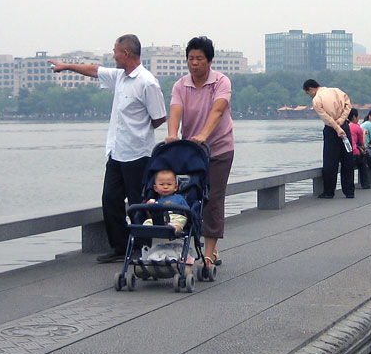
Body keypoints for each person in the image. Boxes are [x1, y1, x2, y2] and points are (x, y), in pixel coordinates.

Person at [49, 34, 167, 262]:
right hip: (116, 152)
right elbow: (94, 70)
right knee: (110, 199)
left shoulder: (147, 82)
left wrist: (139, 131)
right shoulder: (119, 77)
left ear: (126, 53)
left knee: (138, 204)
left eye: (115, 51)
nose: (113, 55)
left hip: (138, 154)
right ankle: (120, 246)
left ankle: (141, 248)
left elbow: (159, 117)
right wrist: (66, 66)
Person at [166, 36, 234, 268]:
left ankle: (210, 252)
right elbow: (176, 109)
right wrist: (173, 134)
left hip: (219, 149)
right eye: (190, 59)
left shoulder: (221, 82)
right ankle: (184, 246)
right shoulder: (180, 85)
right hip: (191, 151)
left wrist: (204, 135)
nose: (194, 63)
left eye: (199, 59)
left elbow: (218, 110)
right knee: (189, 197)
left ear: (209, 60)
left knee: (213, 199)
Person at [303, 79, 356, 199]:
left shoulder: (317, 99)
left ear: (311, 89)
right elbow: (348, 105)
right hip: (345, 126)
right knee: (347, 159)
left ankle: (329, 191)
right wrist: (342, 120)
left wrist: (337, 128)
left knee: (330, 161)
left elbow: (326, 118)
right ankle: (349, 191)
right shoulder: (337, 91)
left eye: (308, 93)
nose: (309, 95)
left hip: (332, 130)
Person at [346, 108, 371, 188]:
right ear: (354, 117)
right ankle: (367, 182)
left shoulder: (345, 127)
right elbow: (362, 143)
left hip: (345, 154)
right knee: (363, 159)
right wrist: (363, 133)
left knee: (364, 156)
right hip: (354, 155)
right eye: (358, 116)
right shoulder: (357, 127)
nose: (358, 118)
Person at [143, 169, 188, 233]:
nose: (165, 187)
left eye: (169, 184)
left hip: (174, 218)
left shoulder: (179, 198)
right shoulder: (156, 201)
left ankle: (175, 229)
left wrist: (173, 206)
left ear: (175, 187)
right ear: (155, 188)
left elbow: (187, 212)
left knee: (180, 221)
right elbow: (150, 216)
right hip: (159, 220)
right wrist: (148, 209)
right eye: (161, 184)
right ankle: (144, 231)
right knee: (147, 222)